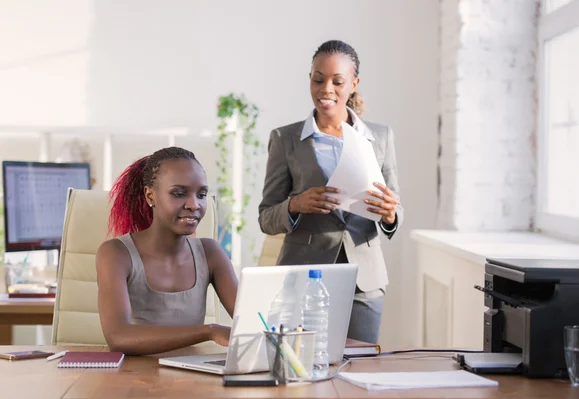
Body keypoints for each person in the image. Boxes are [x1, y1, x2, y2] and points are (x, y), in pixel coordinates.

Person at [258, 40, 403, 344]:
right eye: (318, 79)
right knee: (301, 369)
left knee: (360, 368)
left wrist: (390, 214)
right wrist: (295, 205)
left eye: (337, 81)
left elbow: (395, 210)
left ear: (354, 84)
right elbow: (266, 218)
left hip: (365, 281)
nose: (326, 89)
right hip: (302, 275)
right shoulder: (285, 139)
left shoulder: (380, 137)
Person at [96, 147, 238, 355]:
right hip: (131, 380)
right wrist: (209, 331)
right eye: (179, 194)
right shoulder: (116, 253)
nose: (194, 204)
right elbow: (118, 338)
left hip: (190, 376)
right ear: (150, 196)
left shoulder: (210, 253)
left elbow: (252, 320)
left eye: (202, 194)